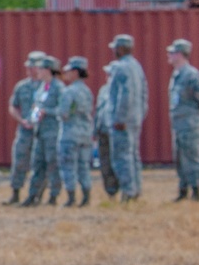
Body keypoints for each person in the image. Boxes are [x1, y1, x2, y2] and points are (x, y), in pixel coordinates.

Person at [166, 39, 199, 202]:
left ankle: (196, 191)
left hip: (190, 124)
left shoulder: (191, 74)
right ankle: (183, 189)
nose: (168, 55)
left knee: (192, 157)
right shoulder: (177, 75)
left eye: (171, 53)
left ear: (179, 54)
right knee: (179, 158)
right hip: (179, 125)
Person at [107, 33, 149, 202]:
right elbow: (144, 93)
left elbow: (125, 94)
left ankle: (128, 191)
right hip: (135, 118)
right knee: (133, 156)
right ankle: (135, 188)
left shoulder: (121, 67)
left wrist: (120, 118)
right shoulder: (137, 66)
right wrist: (140, 114)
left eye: (116, 48)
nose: (114, 51)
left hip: (123, 121)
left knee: (122, 157)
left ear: (121, 49)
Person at [2, 50, 45, 206]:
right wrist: (21, 120)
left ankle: (37, 195)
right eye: (29, 66)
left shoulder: (48, 87)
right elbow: (13, 107)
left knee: (40, 164)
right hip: (25, 131)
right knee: (19, 161)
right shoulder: (22, 86)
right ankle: (15, 193)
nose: (30, 69)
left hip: (42, 132)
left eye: (33, 66)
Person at [21, 56, 64, 207]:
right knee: (37, 164)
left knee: (53, 164)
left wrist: (49, 112)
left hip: (53, 132)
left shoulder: (58, 88)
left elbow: (63, 110)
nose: (37, 71)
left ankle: (54, 195)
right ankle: (33, 195)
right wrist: (30, 119)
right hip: (40, 132)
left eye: (40, 68)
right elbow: (36, 108)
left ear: (48, 70)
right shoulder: (42, 88)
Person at [54, 57, 94, 207]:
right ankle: (86, 196)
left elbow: (64, 113)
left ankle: (71, 198)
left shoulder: (69, 92)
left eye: (69, 71)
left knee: (68, 166)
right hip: (85, 134)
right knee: (84, 166)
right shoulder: (87, 91)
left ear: (76, 72)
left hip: (70, 133)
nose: (66, 74)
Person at [94, 62, 120, 198]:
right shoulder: (103, 90)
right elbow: (99, 110)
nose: (107, 76)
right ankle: (110, 190)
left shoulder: (119, 90)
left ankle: (121, 188)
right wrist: (95, 129)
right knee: (105, 162)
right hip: (102, 131)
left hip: (114, 131)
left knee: (117, 161)